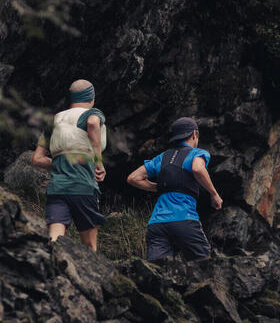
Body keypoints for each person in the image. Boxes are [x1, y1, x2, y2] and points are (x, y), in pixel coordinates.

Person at [127, 117, 222, 261]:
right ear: (194, 134)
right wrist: (214, 194)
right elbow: (198, 168)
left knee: (158, 270)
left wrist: (158, 188)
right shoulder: (197, 153)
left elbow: (133, 178)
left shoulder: (162, 157)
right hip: (184, 219)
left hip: (157, 224)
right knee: (205, 264)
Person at [32, 79, 106, 251]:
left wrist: (59, 165)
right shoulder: (92, 113)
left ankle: (53, 271)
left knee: (55, 240)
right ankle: (89, 276)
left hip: (57, 188)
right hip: (84, 188)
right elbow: (93, 124)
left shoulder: (55, 120)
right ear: (91, 97)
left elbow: (37, 159)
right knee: (89, 245)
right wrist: (99, 162)